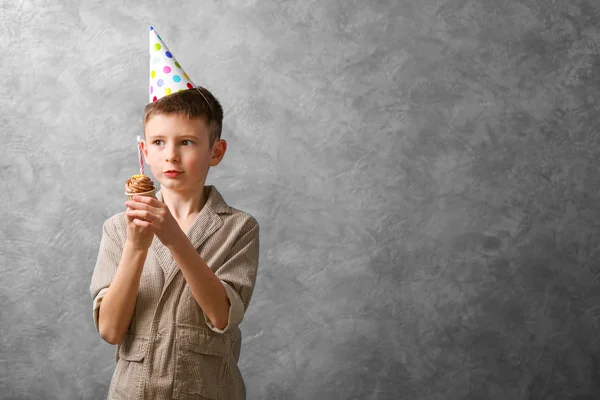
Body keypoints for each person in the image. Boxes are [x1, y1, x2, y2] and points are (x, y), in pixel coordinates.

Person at [89, 27, 259, 400]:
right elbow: (111, 331)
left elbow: (221, 316)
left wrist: (174, 238)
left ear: (216, 151)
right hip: (134, 392)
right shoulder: (119, 229)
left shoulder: (238, 227)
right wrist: (136, 247)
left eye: (187, 142)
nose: (171, 156)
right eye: (159, 143)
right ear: (144, 152)